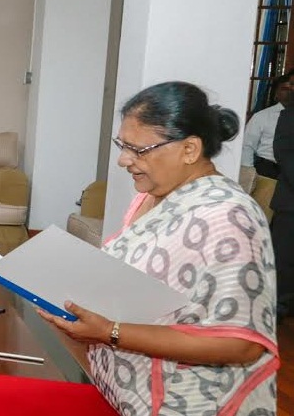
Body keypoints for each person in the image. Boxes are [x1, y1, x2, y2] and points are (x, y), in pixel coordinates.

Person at [39, 82, 278, 414]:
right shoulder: (149, 196)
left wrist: (110, 332)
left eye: (138, 150)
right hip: (125, 392)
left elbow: (242, 344)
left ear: (190, 149)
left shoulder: (229, 216)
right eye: (122, 145)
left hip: (194, 402)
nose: (124, 160)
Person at [241, 69, 294, 179]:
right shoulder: (262, 116)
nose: (289, 91)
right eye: (284, 89)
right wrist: (250, 173)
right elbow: (247, 146)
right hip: (267, 170)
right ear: (276, 93)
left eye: (291, 88)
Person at [272, 82, 294, 320]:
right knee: (285, 260)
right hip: (291, 203)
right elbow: (285, 154)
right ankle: (278, 307)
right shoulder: (289, 116)